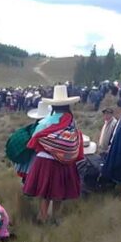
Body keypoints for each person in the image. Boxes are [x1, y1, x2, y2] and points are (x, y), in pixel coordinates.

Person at [23, 85, 83, 224]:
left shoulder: (46, 121)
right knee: (59, 191)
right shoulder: (71, 120)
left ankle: (43, 217)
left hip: (45, 160)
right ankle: (56, 217)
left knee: (45, 192)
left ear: (54, 106)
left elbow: (35, 137)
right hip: (64, 162)